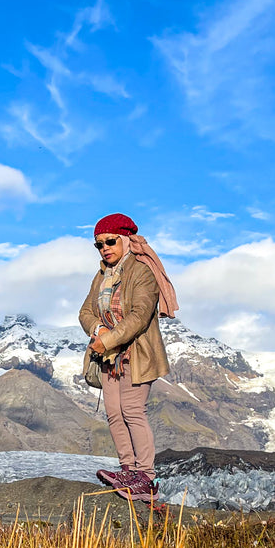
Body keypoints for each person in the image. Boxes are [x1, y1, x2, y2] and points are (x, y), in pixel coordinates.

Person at [78, 213, 178, 500]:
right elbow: (85, 312)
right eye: (98, 244)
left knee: (133, 412)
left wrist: (105, 340)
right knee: (114, 414)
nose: (104, 248)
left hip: (136, 353)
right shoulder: (101, 276)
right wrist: (97, 330)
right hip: (108, 356)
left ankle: (145, 477)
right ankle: (128, 469)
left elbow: (139, 316)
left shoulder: (142, 272)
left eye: (110, 241)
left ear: (123, 240)